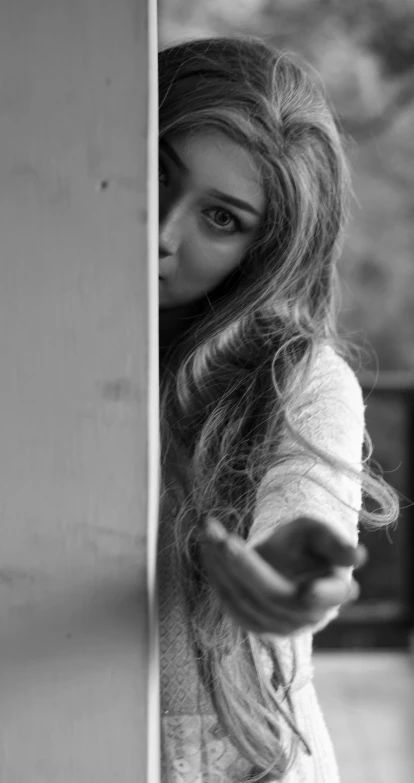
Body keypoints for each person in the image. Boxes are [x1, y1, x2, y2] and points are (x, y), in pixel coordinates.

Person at [157, 36, 398, 783]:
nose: (161, 235)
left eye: (220, 219)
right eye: (157, 179)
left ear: (265, 252)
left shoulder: (301, 379)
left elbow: (308, 520)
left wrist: (292, 581)